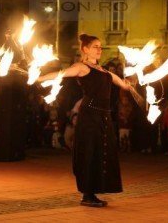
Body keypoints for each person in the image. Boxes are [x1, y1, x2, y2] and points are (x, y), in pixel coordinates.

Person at [38, 33, 131, 207]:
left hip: (104, 116)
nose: (99, 49)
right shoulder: (82, 67)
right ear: (85, 49)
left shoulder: (103, 70)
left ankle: (94, 191)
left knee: (101, 152)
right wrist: (40, 77)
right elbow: (61, 74)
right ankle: (87, 195)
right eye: (95, 46)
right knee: (90, 151)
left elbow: (120, 83)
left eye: (100, 47)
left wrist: (128, 85)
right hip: (90, 115)